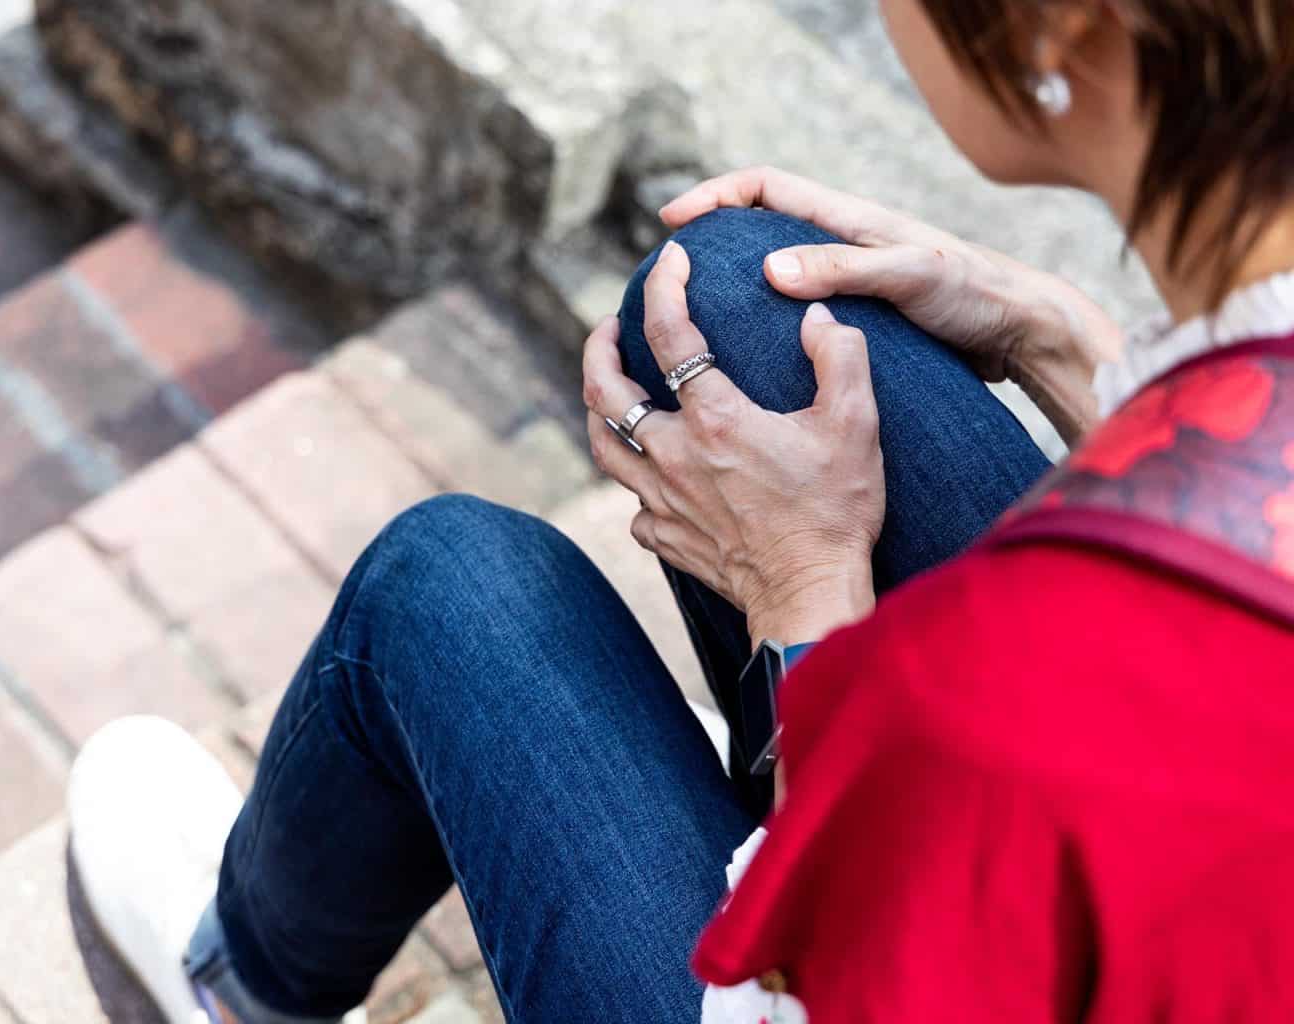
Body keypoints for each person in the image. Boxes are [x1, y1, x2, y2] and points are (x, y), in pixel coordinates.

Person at [68, 0, 1294, 1021]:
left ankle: (240, 989)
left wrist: (808, 594)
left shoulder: (981, 693)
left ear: (1059, 22)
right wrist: (1054, 334)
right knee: (736, 295)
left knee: (451, 588)